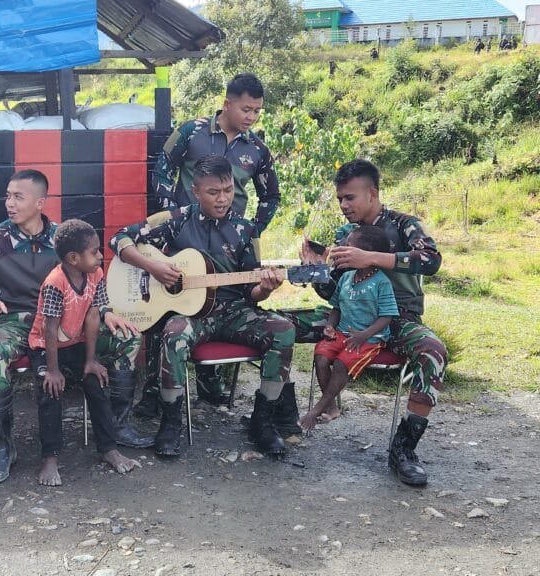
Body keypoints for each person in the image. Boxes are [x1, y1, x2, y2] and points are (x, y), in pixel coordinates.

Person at [0, 170, 149, 486]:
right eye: (7, 195)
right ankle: (3, 446)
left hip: (70, 322)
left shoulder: (64, 240)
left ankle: (116, 427)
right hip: (16, 321)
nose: (9, 203)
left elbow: (91, 285)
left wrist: (105, 312)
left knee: (127, 337)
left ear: (40, 202)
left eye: (17, 197)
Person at [110, 155, 296, 457]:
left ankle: (262, 422)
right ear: (196, 191)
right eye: (214, 192)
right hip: (190, 313)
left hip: (233, 310)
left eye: (228, 190)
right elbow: (119, 239)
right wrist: (153, 268)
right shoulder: (176, 218)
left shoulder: (247, 230)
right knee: (174, 334)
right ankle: (171, 423)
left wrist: (266, 287)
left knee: (284, 331)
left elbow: (252, 291)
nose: (223, 199)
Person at [299, 159, 447, 486]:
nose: (343, 205)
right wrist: (313, 271)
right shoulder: (344, 234)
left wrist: (374, 258)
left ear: (372, 194)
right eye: (340, 198)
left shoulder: (404, 224)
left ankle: (404, 450)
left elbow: (431, 260)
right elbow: (334, 290)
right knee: (280, 325)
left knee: (433, 351)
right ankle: (279, 420)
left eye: (349, 197)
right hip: (350, 316)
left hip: (396, 319)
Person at [143, 72, 282, 409]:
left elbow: (271, 196)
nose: (251, 117)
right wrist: (173, 214)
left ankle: (211, 378)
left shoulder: (257, 150)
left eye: (257, 111)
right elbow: (161, 168)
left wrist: (252, 230)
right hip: (185, 237)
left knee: (228, 297)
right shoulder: (192, 131)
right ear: (227, 104)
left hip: (231, 243)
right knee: (166, 304)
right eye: (246, 109)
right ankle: (152, 386)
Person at [28, 219, 142, 485]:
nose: (101, 256)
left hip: (76, 344)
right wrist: (54, 370)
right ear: (73, 258)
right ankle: (50, 457)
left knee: (97, 383)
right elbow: (49, 327)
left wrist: (90, 361)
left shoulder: (96, 274)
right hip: (48, 346)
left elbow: (93, 316)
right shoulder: (55, 283)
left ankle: (109, 448)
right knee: (50, 390)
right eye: (94, 252)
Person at [299, 226, 398, 431]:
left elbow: (387, 315)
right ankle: (332, 408)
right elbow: (337, 306)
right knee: (322, 355)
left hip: (370, 337)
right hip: (343, 332)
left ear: (365, 252)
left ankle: (317, 410)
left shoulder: (381, 282)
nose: (341, 248)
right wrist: (330, 325)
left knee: (343, 363)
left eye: (348, 245)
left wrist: (364, 335)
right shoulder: (346, 277)